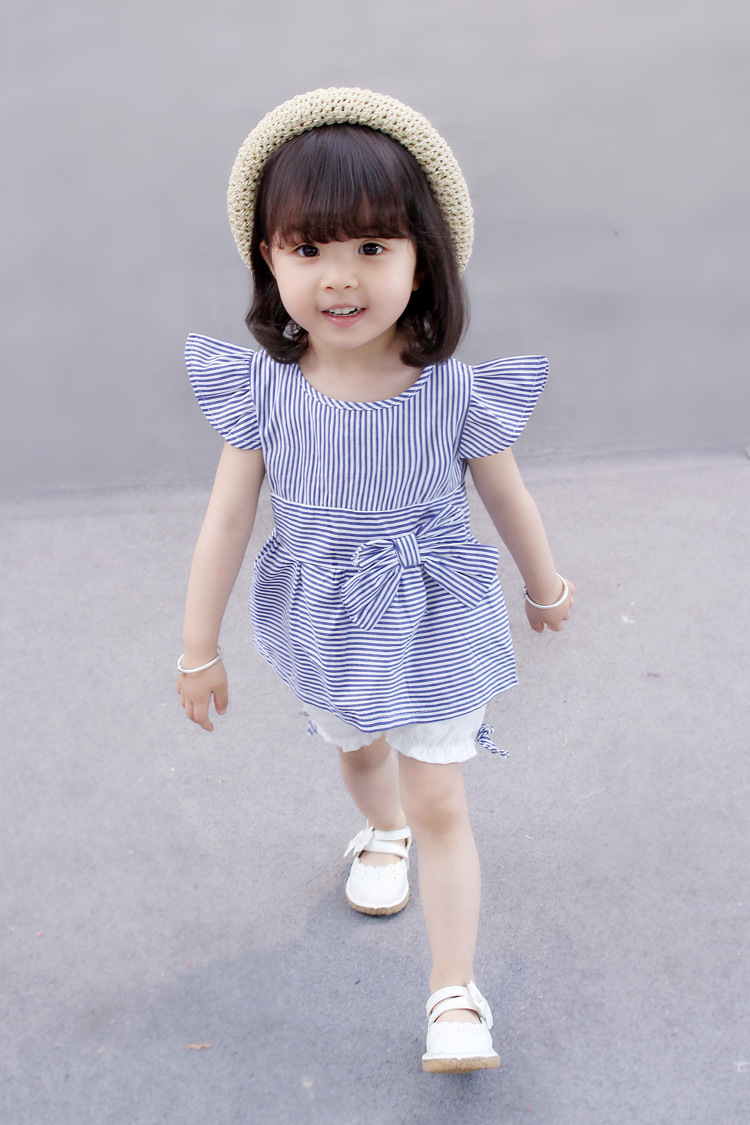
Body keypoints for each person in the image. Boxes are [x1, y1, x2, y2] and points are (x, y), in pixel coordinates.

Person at [177, 88, 574, 1074]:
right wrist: (197, 646)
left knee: (444, 798)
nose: (340, 277)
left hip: (435, 615)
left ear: (421, 259)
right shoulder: (265, 392)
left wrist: (544, 582)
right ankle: (380, 829)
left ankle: (454, 993)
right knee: (358, 753)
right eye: (308, 248)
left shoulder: (454, 392)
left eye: (371, 246)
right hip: (327, 619)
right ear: (268, 259)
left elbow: (508, 495)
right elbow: (226, 520)